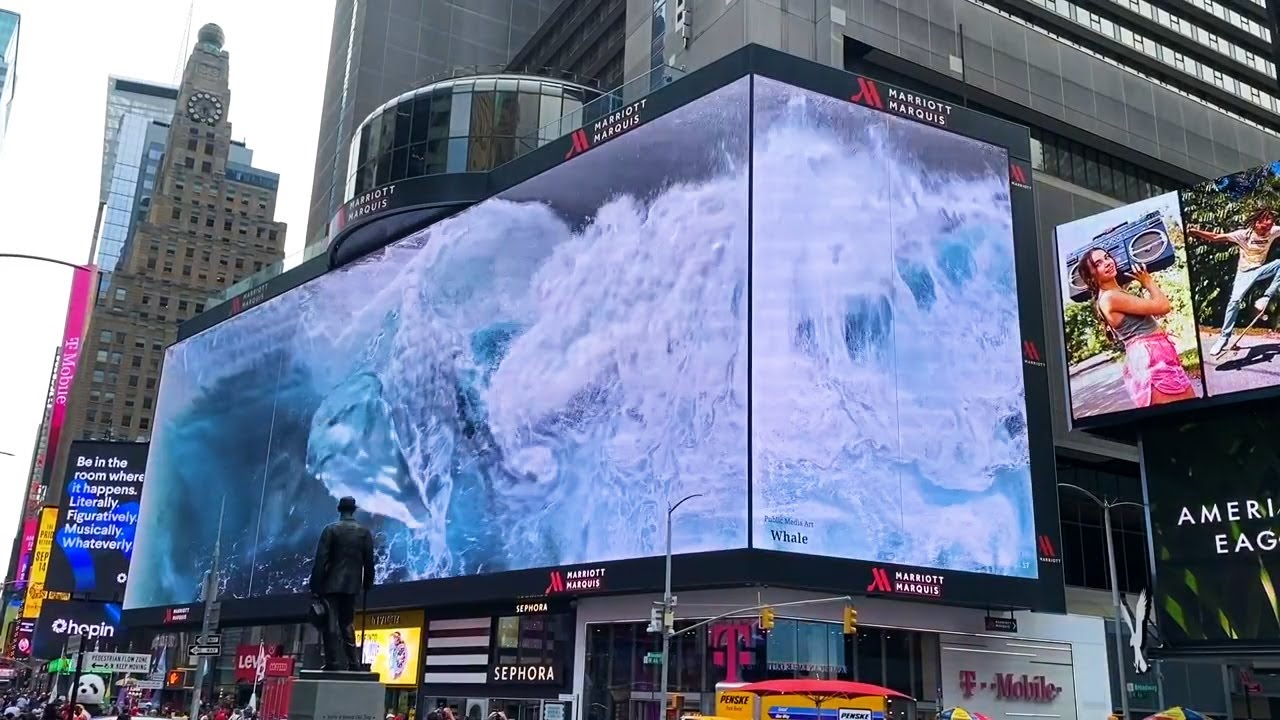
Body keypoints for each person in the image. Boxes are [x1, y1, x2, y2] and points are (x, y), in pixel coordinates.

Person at [1077, 248, 1196, 407]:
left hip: (1156, 355)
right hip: (1150, 359)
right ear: (1091, 275)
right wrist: (1148, 282)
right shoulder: (1109, 297)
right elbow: (1163, 306)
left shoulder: (1116, 292)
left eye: (1107, 257)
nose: (1107, 263)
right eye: (1098, 263)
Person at [1188, 209, 1280, 355]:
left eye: (1269, 228)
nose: (1266, 232)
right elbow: (1216, 236)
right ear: (1256, 223)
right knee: (1234, 302)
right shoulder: (1242, 235)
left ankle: (1266, 297)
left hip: (1261, 270)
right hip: (1244, 273)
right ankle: (1223, 339)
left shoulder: (1274, 230)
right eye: (1263, 228)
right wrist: (1195, 232)